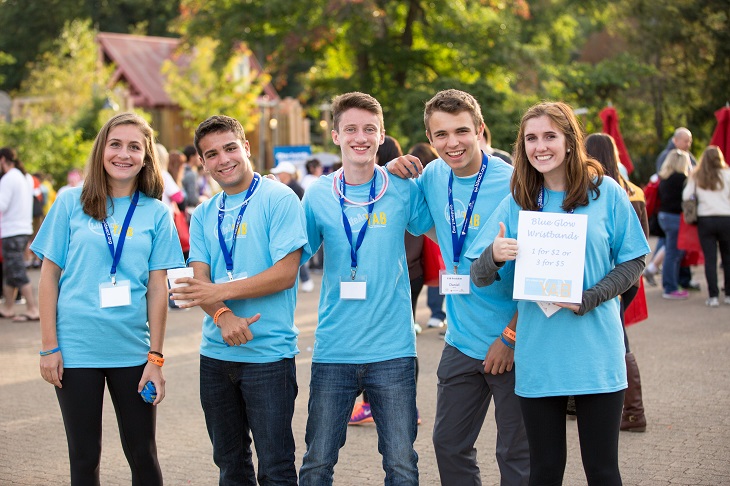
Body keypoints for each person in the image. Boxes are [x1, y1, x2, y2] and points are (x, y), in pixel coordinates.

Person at [468, 101, 650, 485]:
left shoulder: (607, 194)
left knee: (602, 471)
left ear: (570, 141)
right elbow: (479, 276)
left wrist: (590, 297)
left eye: (550, 136)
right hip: (540, 357)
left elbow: (634, 262)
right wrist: (495, 256)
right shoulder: (519, 201)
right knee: (545, 471)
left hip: (596, 354)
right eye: (531, 138)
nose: (541, 146)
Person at [30, 113, 185, 485]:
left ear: (147, 157)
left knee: (143, 455)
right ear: (102, 149)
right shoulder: (70, 202)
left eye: (135, 147)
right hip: (76, 350)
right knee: (84, 459)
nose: (124, 154)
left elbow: (156, 289)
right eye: (116, 144)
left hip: (133, 352)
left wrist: (156, 358)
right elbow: (48, 277)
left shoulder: (156, 212)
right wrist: (48, 347)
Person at [387, 89, 529, 485]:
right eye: (442, 135)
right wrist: (395, 170)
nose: (453, 143)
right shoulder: (432, 176)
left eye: (462, 131)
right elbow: (429, 227)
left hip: (515, 340)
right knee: (449, 445)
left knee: (516, 455)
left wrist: (512, 335)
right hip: (461, 340)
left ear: (481, 130)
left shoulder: (516, 181)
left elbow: (541, 272)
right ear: (430, 139)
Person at [298, 92, 432, 485]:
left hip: (393, 350)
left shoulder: (403, 187)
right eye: (351, 129)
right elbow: (293, 259)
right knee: (317, 463)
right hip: (333, 350)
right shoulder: (319, 194)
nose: (361, 137)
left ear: (381, 134)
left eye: (369, 129)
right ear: (335, 135)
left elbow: (439, 230)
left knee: (402, 465)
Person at [169, 115, 309, 485]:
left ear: (245, 148)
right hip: (215, 357)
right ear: (202, 161)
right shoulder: (203, 213)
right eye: (211, 154)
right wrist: (222, 315)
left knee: (276, 466)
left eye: (230, 148)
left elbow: (285, 273)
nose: (223, 159)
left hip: (269, 356)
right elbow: (199, 279)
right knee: (230, 465)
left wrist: (218, 292)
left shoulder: (278, 198)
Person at [585, 132, 649, 432]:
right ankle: (632, 409)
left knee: (617, 337)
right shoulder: (633, 189)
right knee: (617, 333)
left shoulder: (598, 190)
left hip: (608, 277)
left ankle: (633, 411)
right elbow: (643, 238)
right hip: (630, 278)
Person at [683, 146, 730, 307]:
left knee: (710, 259)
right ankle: (729, 294)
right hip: (726, 218)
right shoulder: (727, 174)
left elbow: (686, 196)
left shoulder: (697, 175)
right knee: (727, 257)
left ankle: (713, 296)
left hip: (705, 219)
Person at [407, 142, 446, 330]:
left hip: (418, 239)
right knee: (441, 271)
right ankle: (438, 313)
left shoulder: (413, 183)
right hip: (438, 235)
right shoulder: (440, 179)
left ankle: (421, 317)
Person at [0, 147, 40, 322]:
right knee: (10, 270)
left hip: (12, 230)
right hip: (23, 229)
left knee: (16, 270)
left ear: (3, 160)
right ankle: (8, 307)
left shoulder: (9, 178)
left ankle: (33, 309)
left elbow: (2, 205)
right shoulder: (26, 177)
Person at [271, 161, 315, 293]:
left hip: (294, 228)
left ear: (287, 174)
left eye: (280, 172)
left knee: (292, 256)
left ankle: (306, 280)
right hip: (289, 227)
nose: (278, 174)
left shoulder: (294, 188)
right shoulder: (287, 186)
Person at [658, 149, 693, 299]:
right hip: (675, 218)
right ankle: (670, 287)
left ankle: (670, 284)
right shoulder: (683, 179)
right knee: (673, 254)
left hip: (664, 216)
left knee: (670, 251)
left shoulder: (664, 178)